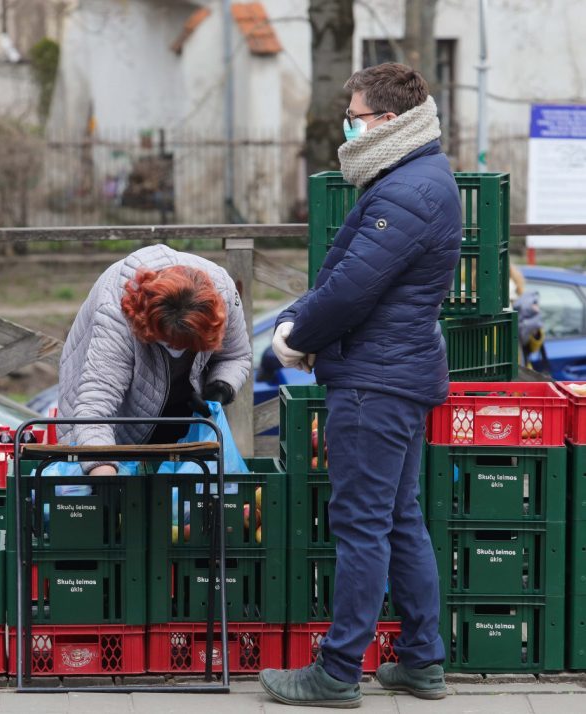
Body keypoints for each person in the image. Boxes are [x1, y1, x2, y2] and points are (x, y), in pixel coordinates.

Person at [260, 63, 461, 707]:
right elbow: (353, 276)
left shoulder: (408, 191)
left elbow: (350, 287)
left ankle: (337, 670)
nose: (348, 125)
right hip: (396, 374)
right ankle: (423, 662)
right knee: (400, 521)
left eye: (356, 115)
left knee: (363, 525)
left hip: (374, 381)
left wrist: (295, 336)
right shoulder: (419, 179)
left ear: (389, 121)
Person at [57, 244, 252, 473]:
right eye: (170, 343)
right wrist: (104, 471)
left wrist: (219, 388)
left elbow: (236, 355)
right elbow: (95, 409)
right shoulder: (117, 316)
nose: (177, 352)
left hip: (181, 415)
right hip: (118, 418)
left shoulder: (224, 296)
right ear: (145, 327)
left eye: (188, 347)